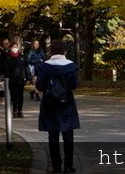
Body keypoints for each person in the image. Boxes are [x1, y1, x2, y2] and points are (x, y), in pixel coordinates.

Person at [36, 39, 80, 174]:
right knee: (68, 135)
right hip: (66, 102)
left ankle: (56, 166)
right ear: (65, 51)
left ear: (51, 51)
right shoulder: (71, 66)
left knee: (52, 135)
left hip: (49, 102)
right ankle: (68, 166)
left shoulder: (44, 67)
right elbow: (74, 85)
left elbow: (40, 86)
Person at [4, 42, 29, 118]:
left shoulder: (22, 56)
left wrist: (28, 77)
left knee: (21, 95)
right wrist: (7, 77)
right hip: (12, 79)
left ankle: (20, 110)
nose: (15, 49)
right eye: (13, 47)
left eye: (16, 47)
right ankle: (15, 110)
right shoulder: (8, 57)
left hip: (21, 79)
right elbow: (6, 69)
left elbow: (26, 67)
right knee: (14, 96)